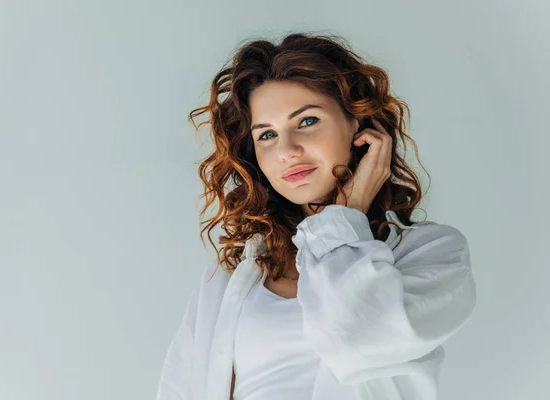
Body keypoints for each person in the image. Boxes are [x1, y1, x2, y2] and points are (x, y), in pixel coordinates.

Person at [156, 32, 477, 400]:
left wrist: (347, 215)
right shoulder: (230, 278)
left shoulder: (431, 253)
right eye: (266, 135)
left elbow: (359, 341)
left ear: (357, 123)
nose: (287, 150)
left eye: (306, 122)